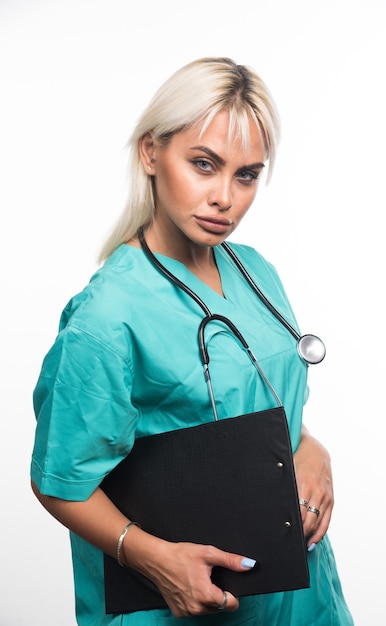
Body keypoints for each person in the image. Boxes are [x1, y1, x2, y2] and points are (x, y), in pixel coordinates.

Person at [31, 57, 353, 625]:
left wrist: (311, 449)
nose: (224, 197)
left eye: (246, 174)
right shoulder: (107, 316)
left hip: (301, 598)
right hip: (187, 606)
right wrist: (155, 559)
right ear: (151, 153)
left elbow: (258, 404)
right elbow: (61, 480)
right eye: (204, 165)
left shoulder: (255, 271)